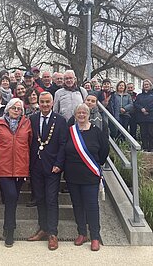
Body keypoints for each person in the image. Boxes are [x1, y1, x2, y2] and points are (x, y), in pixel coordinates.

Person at [64, 103, 109, 251]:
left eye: (84, 113)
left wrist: (97, 164)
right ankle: (82, 233)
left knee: (92, 206)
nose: (81, 115)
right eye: (79, 113)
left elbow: (104, 151)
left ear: (89, 114)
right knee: (77, 205)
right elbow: (64, 149)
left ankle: (95, 236)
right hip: (72, 175)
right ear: (75, 115)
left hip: (90, 176)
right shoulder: (70, 131)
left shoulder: (97, 131)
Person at [28, 92, 68, 251]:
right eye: (42, 102)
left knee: (51, 199)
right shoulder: (32, 119)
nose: (44, 105)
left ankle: (52, 233)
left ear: (52, 103)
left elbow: (63, 144)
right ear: (38, 102)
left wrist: (59, 163)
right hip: (36, 165)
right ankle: (43, 228)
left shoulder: (60, 120)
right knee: (40, 198)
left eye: (47, 102)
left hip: (53, 167)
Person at [0, 98, 32, 247]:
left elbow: (30, 143)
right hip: (3, 167)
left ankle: (7, 227)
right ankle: (10, 230)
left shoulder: (27, 123)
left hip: (21, 166)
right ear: (8, 109)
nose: (16, 111)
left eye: (19, 109)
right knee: (11, 196)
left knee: (12, 199)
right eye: (14, 108)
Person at [134, 79, 153, 152]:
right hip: (142, 117)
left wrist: (147, 109)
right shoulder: (139, 95)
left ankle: (152, 148)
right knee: (143, 133)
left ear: (150, 85)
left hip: (151, 117)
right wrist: (141, 109)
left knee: (151, 133)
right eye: (144, 85)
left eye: (147, 84)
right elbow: (136, 103)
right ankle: (145, 147)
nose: (146, 86)